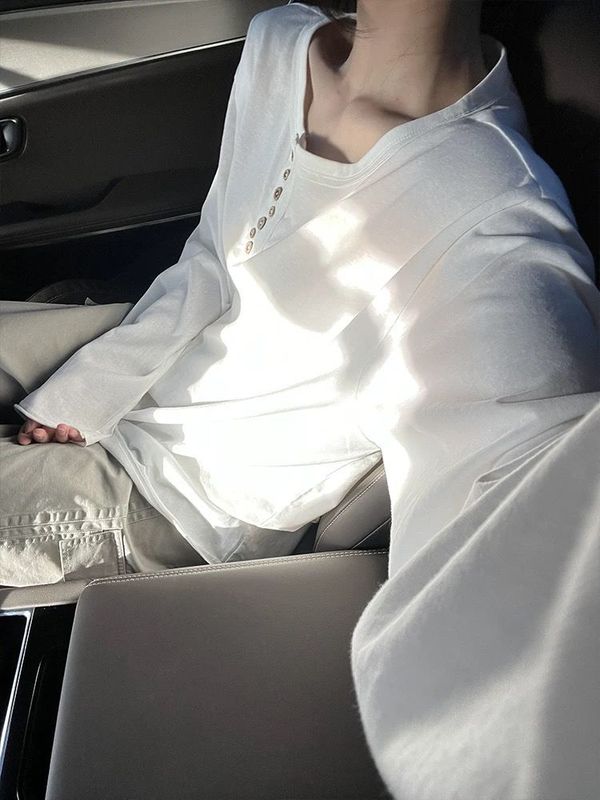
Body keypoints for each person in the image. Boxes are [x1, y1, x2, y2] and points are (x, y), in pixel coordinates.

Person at [0, 1, 599, 792]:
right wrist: (83, 394)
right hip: (120, 401)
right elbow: (211, 254)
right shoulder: (281, 42)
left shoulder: (496, 227)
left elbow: (514, 560)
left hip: (170, 506)